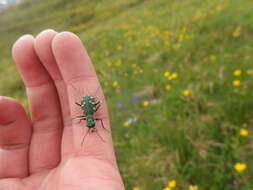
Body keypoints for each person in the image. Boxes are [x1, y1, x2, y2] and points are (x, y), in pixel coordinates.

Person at [0, 29, 125, 189]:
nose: (91, 124)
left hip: (87, 104)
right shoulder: (89, 117)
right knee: (89, 107)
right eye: (91, 124)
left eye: (89, 125)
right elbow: (91, 112)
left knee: (87, 108)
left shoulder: (88, 117)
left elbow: (89, 114)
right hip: (88, 104)